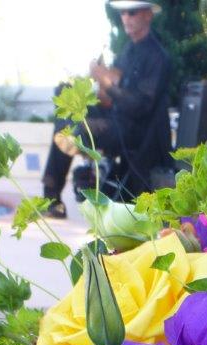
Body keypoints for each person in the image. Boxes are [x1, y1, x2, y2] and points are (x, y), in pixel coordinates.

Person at [42, 0, 172, 218]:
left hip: (138, 131)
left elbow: (140, 105)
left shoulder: (158, 57)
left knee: (80, 130)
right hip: (118, 117)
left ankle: (77, 159)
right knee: (66, 110)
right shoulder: (128, 50)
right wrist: (96, 84)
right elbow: (113, 91)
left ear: (148, 15)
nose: (126, 18)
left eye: (131, 12)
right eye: (122, 13)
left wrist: (106, 81)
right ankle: (51, 194)